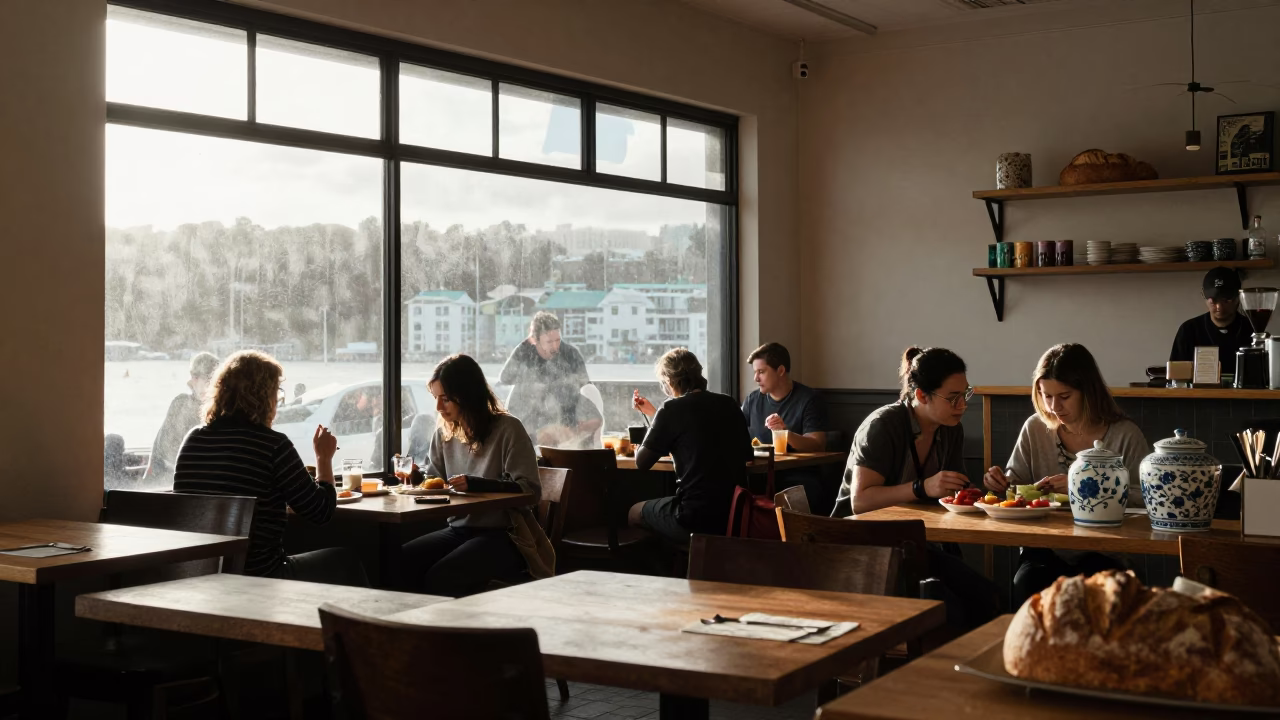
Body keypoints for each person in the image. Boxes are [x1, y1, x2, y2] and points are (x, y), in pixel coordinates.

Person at [833, 346, 1000, 629]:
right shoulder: (883, 425)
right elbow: (860, 501)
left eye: (966, 394)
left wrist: (985, 490)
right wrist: (921, 488)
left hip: (912, 546)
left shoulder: (950, 429)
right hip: (862, 550)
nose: (963, 405)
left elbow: (954, 489)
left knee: (989, 597)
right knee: (952, 611)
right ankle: (935, 671)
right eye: (953, 398)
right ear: (921, 395)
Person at [173, 351, 367, 586]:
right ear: (264, 397)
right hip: (261, 578)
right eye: (277, 392)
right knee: (346, 560)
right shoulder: (272, 445)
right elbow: (321, 511)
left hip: (202, 578)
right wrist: (323, 458)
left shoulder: (193, 439)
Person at [983, 343, 1150, 606]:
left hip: (1106, 552)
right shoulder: (1035, 428)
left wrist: (1082, 490)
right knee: (1026, 586)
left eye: (1064, 396)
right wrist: (999, 484)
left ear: (1088, 392)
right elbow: (1014, 488)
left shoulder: (1125, 435)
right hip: (1043, 549)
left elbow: (1146, 499)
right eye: (1045, 395)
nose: (1053, 407)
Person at [401, 354, 542, 597]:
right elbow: (436, 482)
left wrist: (476, 484)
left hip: (506, 535)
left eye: (445, 399)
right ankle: (410, 630)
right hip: (460, 529)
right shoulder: (444, 434)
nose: (438, 407)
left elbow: (530, 490)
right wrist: (417, 479)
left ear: (466, 395)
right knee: (399, 560)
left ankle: (451, 633)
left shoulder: (508, 429)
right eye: (436, 398)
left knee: (443, 576)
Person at [630, 348, 753, 546]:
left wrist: (638, 444)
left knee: (634, 513)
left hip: (695, 517)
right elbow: (748, 454)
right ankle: (693, 560)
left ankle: (672, 568)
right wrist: (655, 415)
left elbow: (641, 462)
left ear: (669, 380)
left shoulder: (671, 409)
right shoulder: (728, 403)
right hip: (735, 514)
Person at [740, 342, 831, 513]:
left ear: (780, 371)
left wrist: (785, 434)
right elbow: (735, 432)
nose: (756, 378)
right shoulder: (752, 400)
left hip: (798, 477)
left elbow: (818, 444)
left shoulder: (809, 399)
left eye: (761, 372)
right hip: (759, 476)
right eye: (755, 372)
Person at [500, 311, 602, 449]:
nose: (555, 347)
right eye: (549, 342)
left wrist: (574, 427)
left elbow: (584, 387)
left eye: (557, 340)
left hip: (565, 418)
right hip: (531, 418)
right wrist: (525, 344)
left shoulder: (570, 354)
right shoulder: (525, 352)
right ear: (535, 340)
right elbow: (505, 378)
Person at [144, 352, 219, 483]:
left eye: (210, 380)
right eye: (195, 377)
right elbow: (160, 450)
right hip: (175, 477)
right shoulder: (181, 403)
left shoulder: (217, 411)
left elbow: (160, 451)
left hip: (180, 479)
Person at [1169, 267, 1253, 367]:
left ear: (1238, 297)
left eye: (1226, 300)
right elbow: (1176, 377)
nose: (1219, 307)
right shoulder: (1189, 330)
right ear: (1203, 296)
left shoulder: (1252, 329)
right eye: (1213, 301)